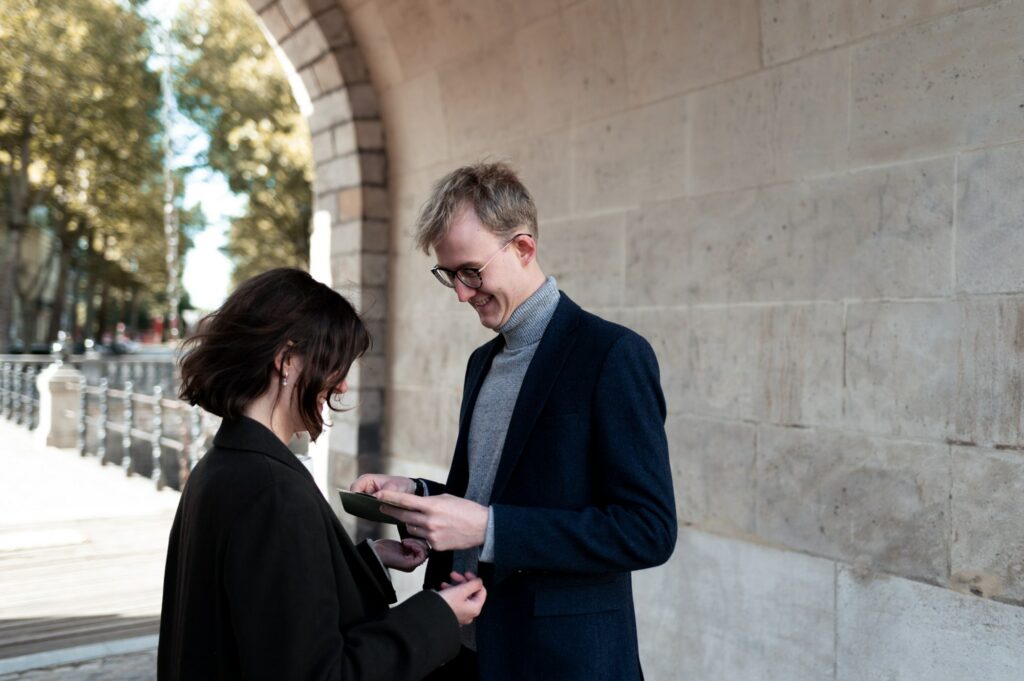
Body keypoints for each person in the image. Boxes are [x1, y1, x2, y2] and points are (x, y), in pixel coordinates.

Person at [352, 163, 676, 681]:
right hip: (463, 655)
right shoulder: (482, 362)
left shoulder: (613, 354)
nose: (461, 292)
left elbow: (649, 530)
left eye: (471, 271)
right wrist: (415, 493)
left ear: (523, 248)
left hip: (561, 661)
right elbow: (487, 496)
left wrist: (488, 528)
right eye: (449, 275)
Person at [158, 268, 486, 681]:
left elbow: (269, 608)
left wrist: (365, 561)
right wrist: (439, 616)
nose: (343, 386)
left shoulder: (222, 465)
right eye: (334, 365)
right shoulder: (273, 491)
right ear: (288, 360)